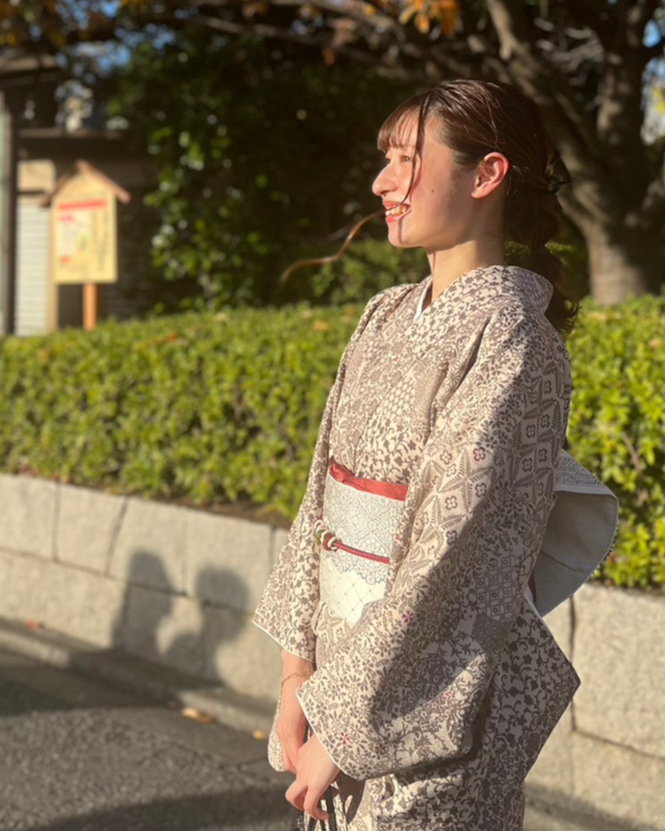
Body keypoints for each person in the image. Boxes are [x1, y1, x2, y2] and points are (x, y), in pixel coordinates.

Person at [251, 80, 618, 830]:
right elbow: (320, 497)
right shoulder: (384, 314)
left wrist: (345, 727)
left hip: (426, 700)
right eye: (385, 160)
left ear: (487, 175)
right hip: (336, 674)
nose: (381, 183)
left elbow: (458, 549)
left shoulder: (514, 335)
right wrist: (297, 675)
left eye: (406, 160)